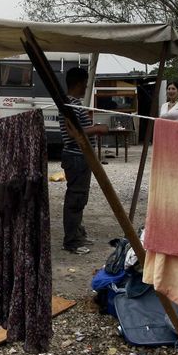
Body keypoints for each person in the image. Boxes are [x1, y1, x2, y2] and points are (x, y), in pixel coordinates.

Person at [59, 67, 107, 254]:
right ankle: (72, 241)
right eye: (85, 85)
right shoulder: (69, 104)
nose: (86, 88)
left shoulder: (73, 103)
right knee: (76, 198)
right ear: (78, 84)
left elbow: (77, 130)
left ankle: (78, 234)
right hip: (76, 157)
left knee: (80, 197)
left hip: (80, 157)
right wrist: (97, 128)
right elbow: (73, 133)